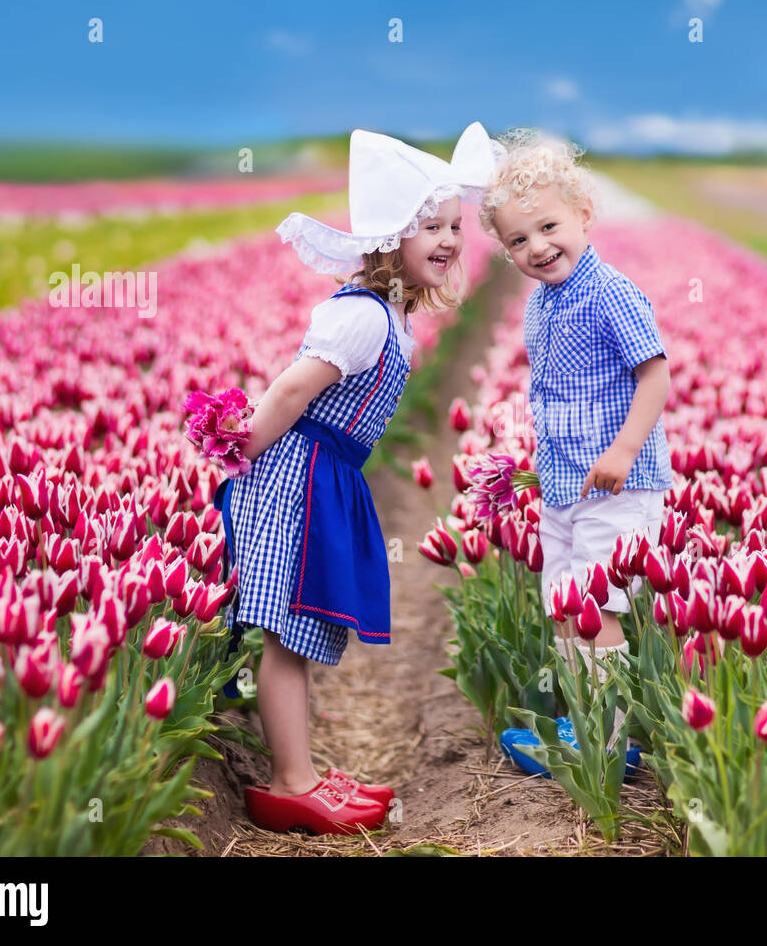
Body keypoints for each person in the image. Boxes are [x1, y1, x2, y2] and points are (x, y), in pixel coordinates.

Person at [212, 122, 498, 835]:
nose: (448, 239)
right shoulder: (361, 319)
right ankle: (290, 781)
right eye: (429, 225)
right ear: (388, 237)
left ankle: (300, 770)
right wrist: (241, 451)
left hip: (325, 473)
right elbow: (289, 391)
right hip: (296, 473)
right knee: (286, 630)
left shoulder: (388, 315)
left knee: (298, 632)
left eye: (453, 226)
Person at [477, 130, 673, 775]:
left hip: (617, 484)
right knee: (564, 605)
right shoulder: (541, 303)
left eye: (548, 226)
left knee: (598, 608)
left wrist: (621, 449)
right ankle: (582, 719)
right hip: (562, 487)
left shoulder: (610, 292)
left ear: (584, 215)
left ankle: (610, 740)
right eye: (518, 240)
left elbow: (655, 375)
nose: (537, 247)